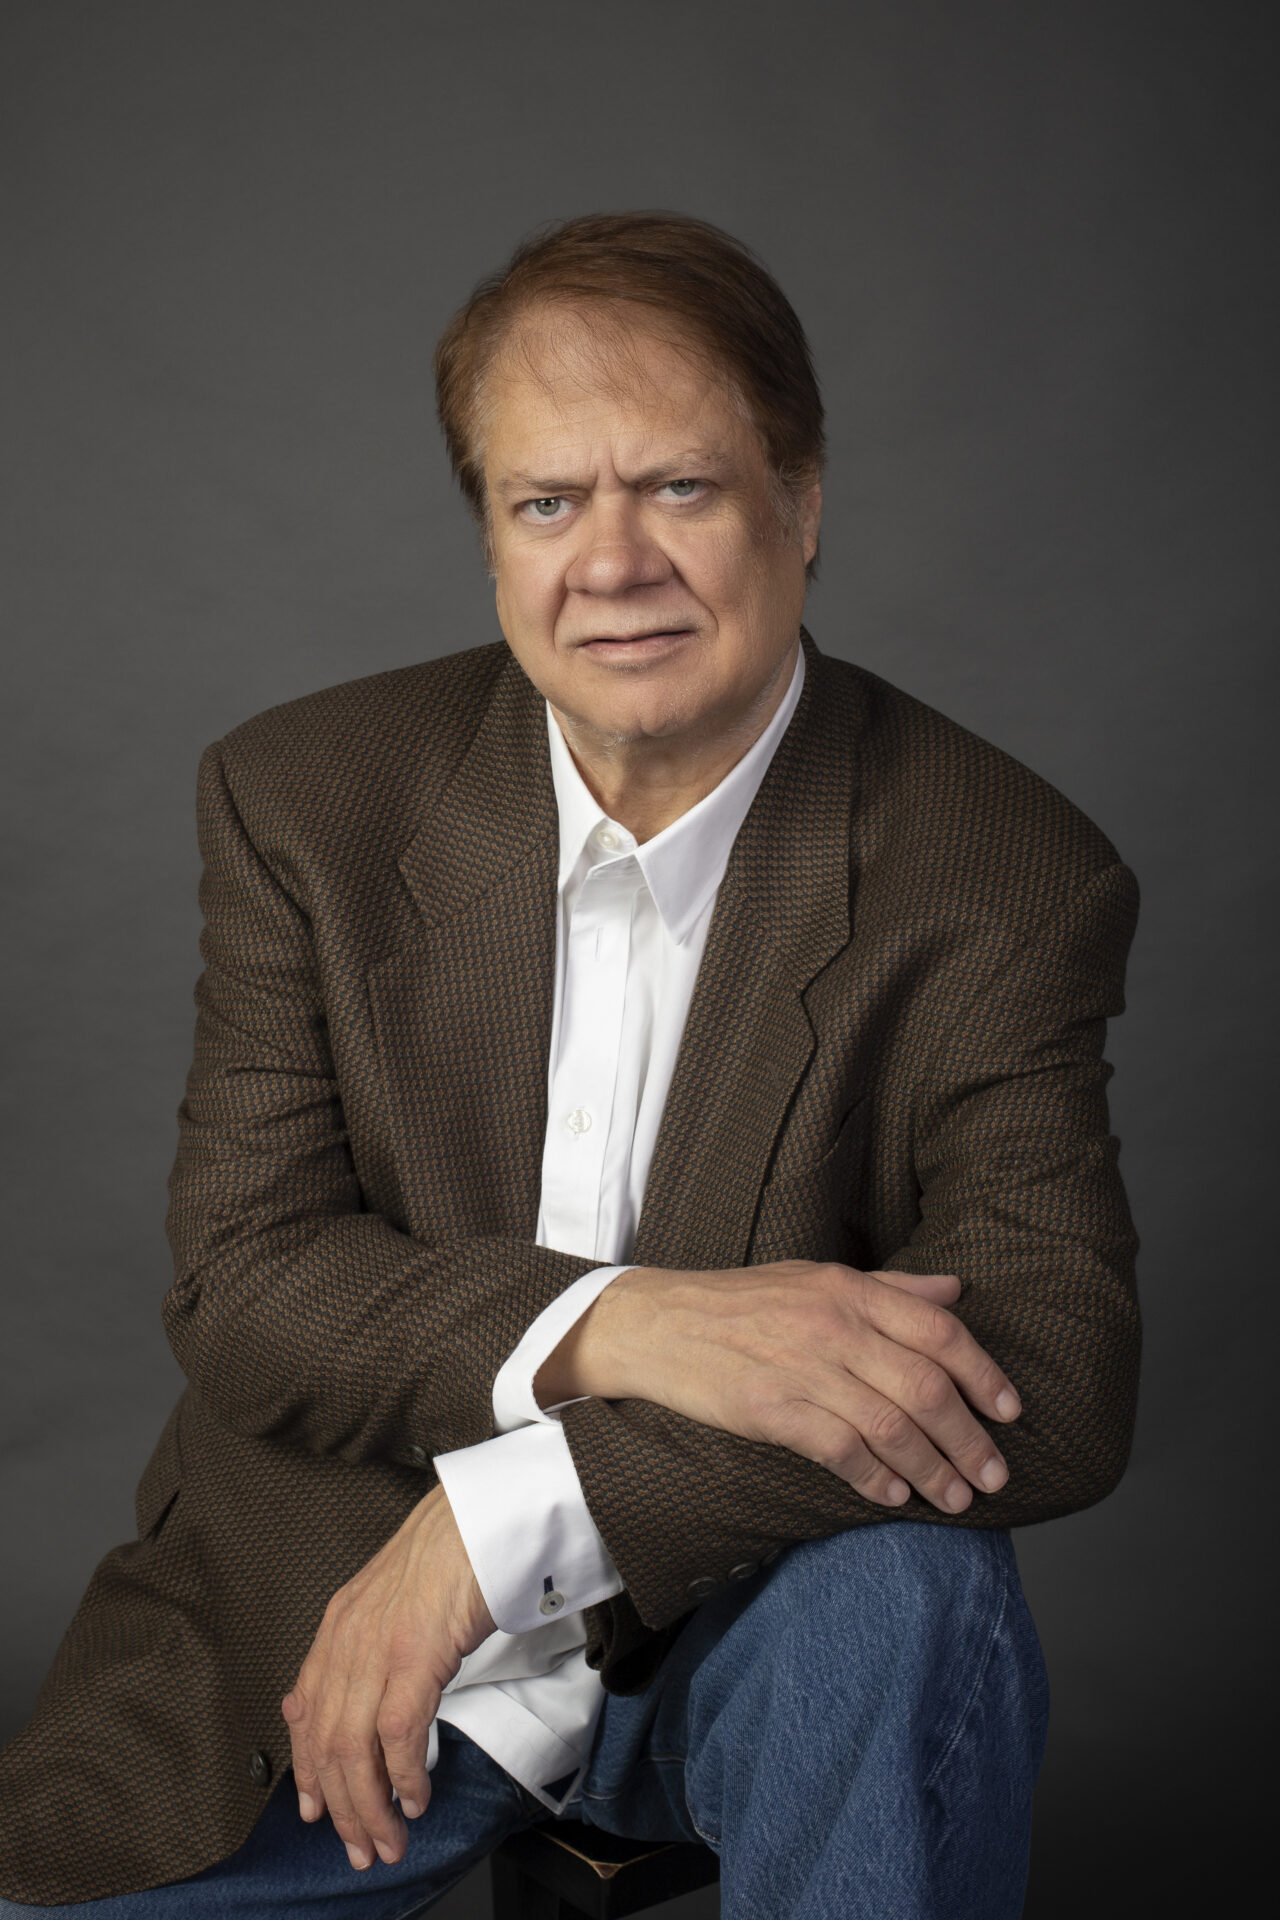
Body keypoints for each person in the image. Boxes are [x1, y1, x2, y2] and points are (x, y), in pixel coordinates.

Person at [0, 211, 1141, 1919]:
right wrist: (629, 1322)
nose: (611, 563)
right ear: (490, 539)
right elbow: (248, 1283)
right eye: (548, 503)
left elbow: (1049, 1366)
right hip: (318, 1630)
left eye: (678, 487)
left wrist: (517, 1513)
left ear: (802, 504)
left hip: (740, 1623)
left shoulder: (1001, 873)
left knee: (915, 1598)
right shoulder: (306, 799)